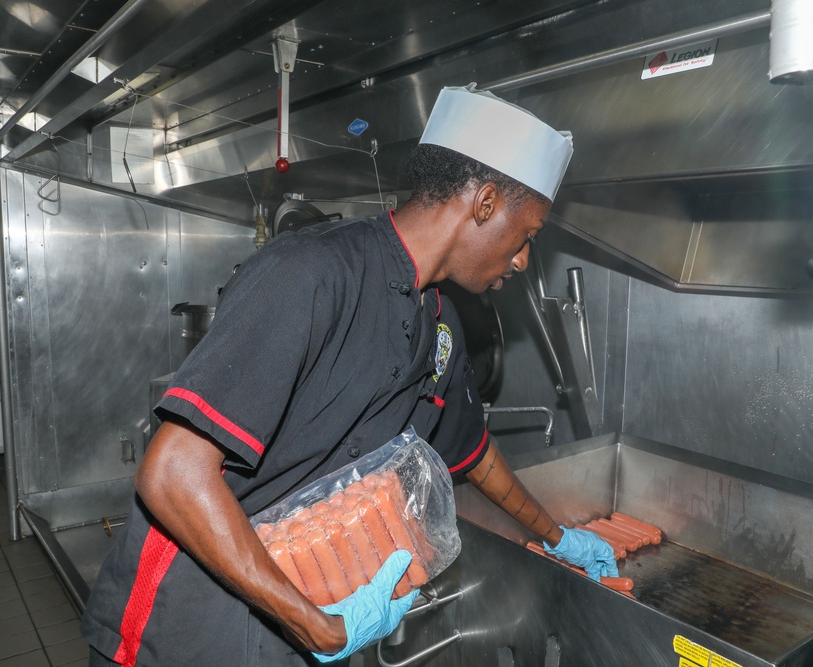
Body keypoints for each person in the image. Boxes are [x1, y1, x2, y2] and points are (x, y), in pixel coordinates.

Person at [82, 83, 618, 666]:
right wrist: (317, 627)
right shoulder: (311, 274)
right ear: (485, 203)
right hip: (181, 620)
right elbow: (172, 473)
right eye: (528, 236)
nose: (522, 260)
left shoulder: (438, 319)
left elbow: (473, 453)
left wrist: (556, 537)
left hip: (285, 621)